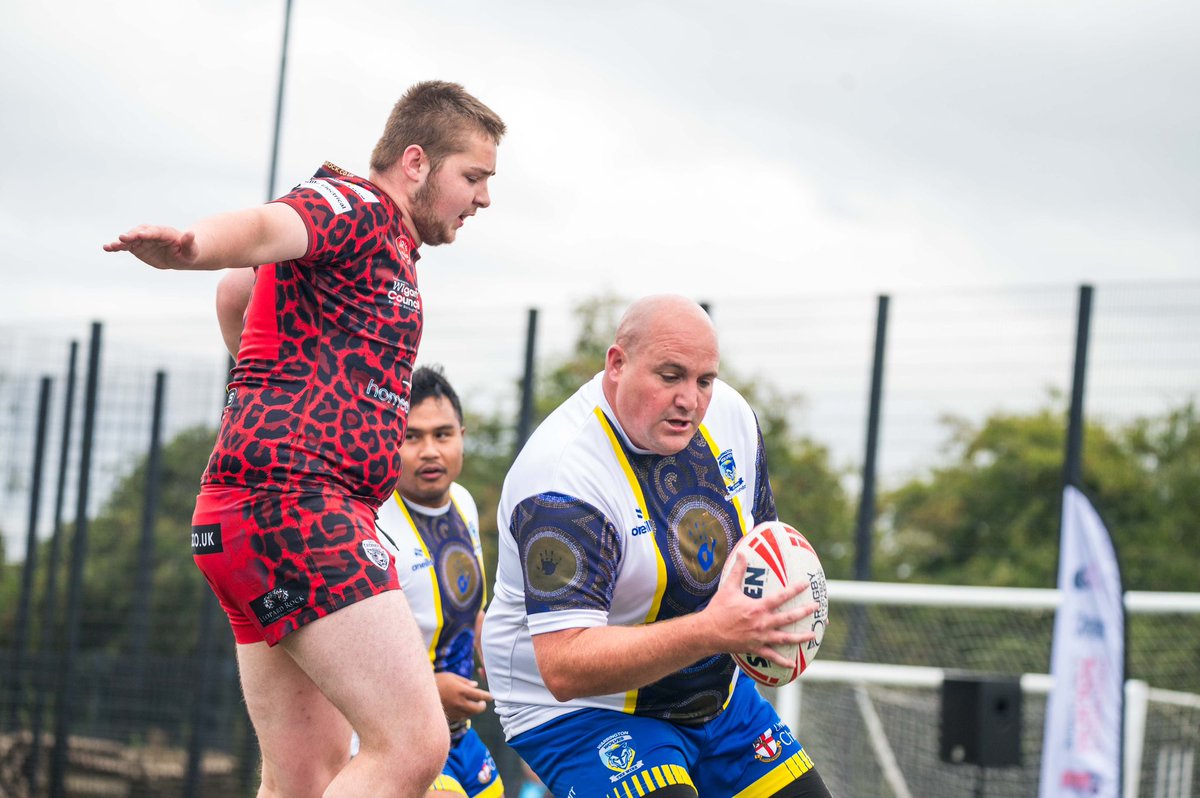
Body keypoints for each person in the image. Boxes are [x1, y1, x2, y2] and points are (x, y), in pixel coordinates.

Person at [104, 81, 506, 798]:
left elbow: (238, 295)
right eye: (472, 177)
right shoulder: (355, 206)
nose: (482, 199)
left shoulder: (390, 243)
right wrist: (194, 245)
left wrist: (271, 385)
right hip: (298, 509)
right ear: (416, 162)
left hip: (248, 514)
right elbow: (265, 230)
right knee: (414, 746)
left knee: (306, 776)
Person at [481, 295, 833, 797]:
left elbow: (763, 548)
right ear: (617, 365)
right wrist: (712, 631)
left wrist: (782, 615)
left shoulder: (730, 416)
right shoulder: (562, 478)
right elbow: (564, 665)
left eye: (704, 380)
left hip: (714, 693)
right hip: (581, 710)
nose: (690, 399)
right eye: (670, 376)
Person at [372, 365, 504, 797]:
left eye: (442, 435)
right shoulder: (371, 524)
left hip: (459, 734)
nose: (430, 450)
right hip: (392, 736)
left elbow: (466, 607)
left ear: (462, 436)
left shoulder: (464, 502)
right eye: (411, 437)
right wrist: (428, 693)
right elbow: (350, 654)